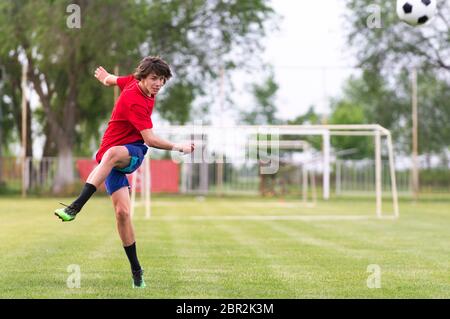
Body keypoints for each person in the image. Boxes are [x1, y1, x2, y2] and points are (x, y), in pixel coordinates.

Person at [54, 56, 194, 288]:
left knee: (111, 155)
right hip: (111, 159)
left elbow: (114, 82)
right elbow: (150, 135)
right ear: (142, 78)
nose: (158, 84)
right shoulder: (133, 98)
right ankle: (137, 271)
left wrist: (106, 77)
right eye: (154, 79)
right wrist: (178, 146)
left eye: (162, 79)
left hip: (133, 152)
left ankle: (75, 206)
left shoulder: (133, 83)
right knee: (122, 213)